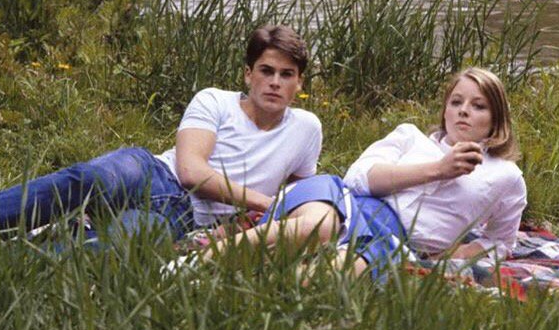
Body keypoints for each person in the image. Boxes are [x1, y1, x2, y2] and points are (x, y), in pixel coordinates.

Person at [0, 26, 322, 244]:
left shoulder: (307, 129)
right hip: (153, 175)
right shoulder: (214, 99)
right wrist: (266, 203)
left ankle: (24, 253)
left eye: (286, 74)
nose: (275, 82)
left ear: (299, 83)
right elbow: (191, 173)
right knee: (87, 178)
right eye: (266, 71)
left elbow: (297, 193)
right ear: (249, 75)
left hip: (184, 218)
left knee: (118, 241)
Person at [209, 67, 527, 279]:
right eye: (456, 101)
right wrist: (437, 170)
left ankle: (244, 287)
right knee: (319, 227)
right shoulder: (410, 137)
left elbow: (501, 241)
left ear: (496, 120)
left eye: (479, 106)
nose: (464, 110)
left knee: (332, 274)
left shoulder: (505, 176)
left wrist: (455, 252)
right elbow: (357, 179)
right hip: (344, 201)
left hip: (395, 242)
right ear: (444, 110)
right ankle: (197, 263)